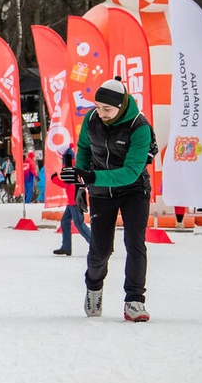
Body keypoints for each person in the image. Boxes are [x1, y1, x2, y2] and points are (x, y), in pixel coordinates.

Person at [61, 76, 155, 322]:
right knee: (101, 249)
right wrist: (80, 178)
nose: (101, 113)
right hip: (101, 192)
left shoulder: (139, 127)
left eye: (107, 109)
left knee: (135, 243)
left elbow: (130, 172)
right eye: (98, 106)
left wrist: (91, 176)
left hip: (134, 190)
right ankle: (94, 287)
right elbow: (84, 148)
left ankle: (134, 301)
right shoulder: (91, 119)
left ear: (121, 107)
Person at [51, 148, 91, 256]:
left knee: (80, 224)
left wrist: (54, 178)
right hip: (74, 200)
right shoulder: (75, 166)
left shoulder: (68, 168)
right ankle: (66, 247)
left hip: (75, 201)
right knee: (65, 222)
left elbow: (65, 184)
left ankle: (97, 246)